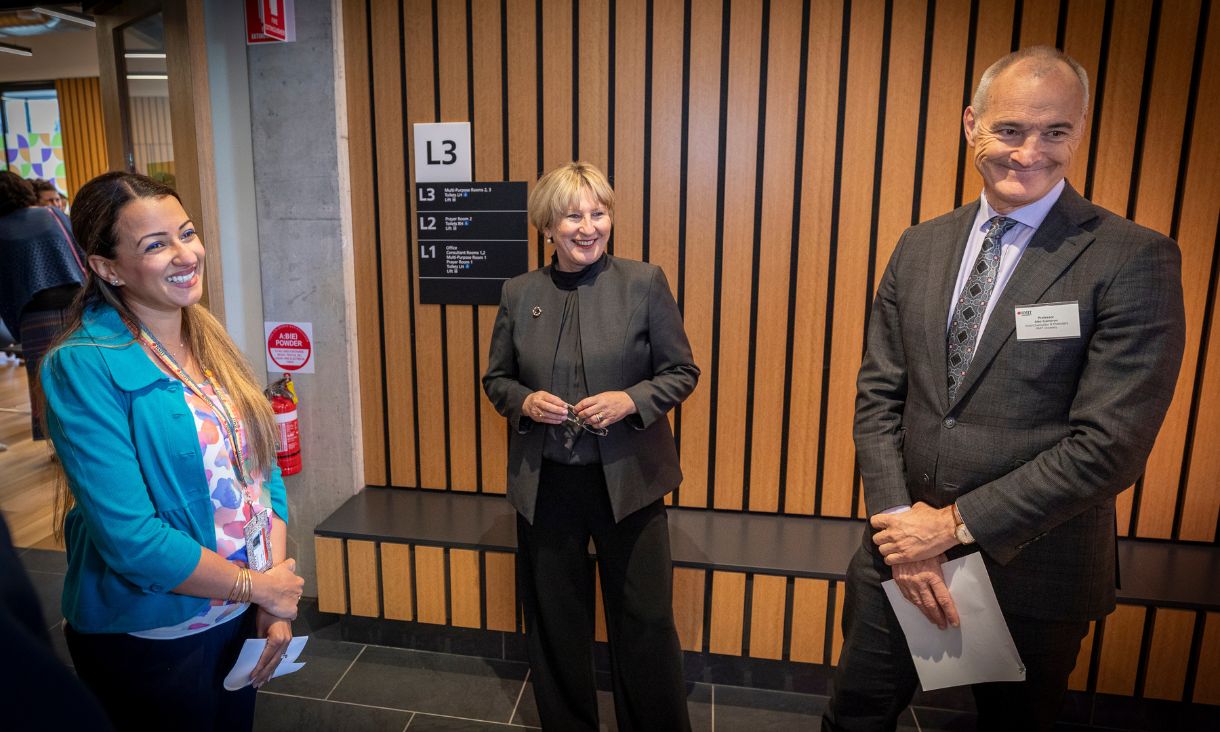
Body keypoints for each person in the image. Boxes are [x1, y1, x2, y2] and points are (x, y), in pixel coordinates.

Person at [823, 46, 1186, 732]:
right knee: (853, 718)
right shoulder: (920, 245)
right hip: (900, 557)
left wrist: (951, 527)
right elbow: (879, 396)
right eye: (1011, 129)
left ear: (1080, 132)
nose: (1029, 153)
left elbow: (1110, 446)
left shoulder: (1132, 257)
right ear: (971, 124)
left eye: (1056, 132)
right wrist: (904, 526)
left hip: (1036, 568)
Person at [39, 171, 306, 731]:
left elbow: (262, 474)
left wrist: (269, 596)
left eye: (186, 233)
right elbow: (131, 539)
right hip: (152, 638)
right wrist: (261, 587)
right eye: (156, 245)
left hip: (239, 617)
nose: (186, 254)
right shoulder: (82, 363)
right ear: (107, 268)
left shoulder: (207, 337)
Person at [483, 161, 699, 730]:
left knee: (646, 623)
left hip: (630, 483)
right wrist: (525, 403)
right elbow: (497, 380)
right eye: (573, 216)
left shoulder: (644, 282)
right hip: (548, 486)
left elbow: (681, 370)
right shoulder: (517, 292)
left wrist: (631, 401)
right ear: (547, 226)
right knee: (557, 624)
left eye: (598, 213)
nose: (588, 227)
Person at [0, 171, 86, 440]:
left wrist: (16, 326)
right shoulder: (53, 215)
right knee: (83, 370)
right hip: (77, 303)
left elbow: (5, 287)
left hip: (35, 314)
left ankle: (57, 442)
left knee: (45, 380)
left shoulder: (1, 229)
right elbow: (80, 255)